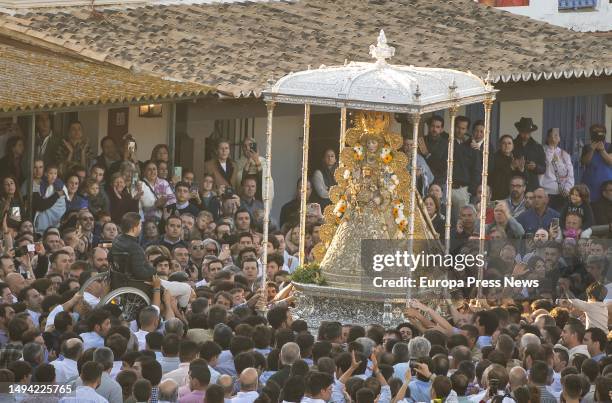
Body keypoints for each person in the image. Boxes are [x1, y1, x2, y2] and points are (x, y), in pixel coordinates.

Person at [541, 128, 574, 211]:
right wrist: (551, 147)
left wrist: (567, 189)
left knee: (560, 219)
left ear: (559, 138)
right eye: (551, 135)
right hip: (546, 193)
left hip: (562, 194)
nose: (553, 137)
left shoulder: (564, 154)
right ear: (547, 138)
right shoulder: (542, 151)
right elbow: (548, 161)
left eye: (556, 135)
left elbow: (570, 174)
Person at [235, 137, 274, 203]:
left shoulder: (263, 161)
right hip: (244, 198)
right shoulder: (238, 163)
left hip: (260, 197)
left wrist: (256, 160)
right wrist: (248, 162)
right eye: (245, 146)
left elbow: (266, 179)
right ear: (242, 148)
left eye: (250, 145)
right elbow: (239, 179)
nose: (247, 148)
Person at [513, 117, 546, 192]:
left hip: (532, 185)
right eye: (523, 132)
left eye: (528, 132)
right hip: (515, 184)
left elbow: (543, 169)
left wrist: (535, 167)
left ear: (531, 132)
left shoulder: (538, 147)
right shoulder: (511, 144)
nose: (525, 134)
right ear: (519, 131)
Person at [581, 124, 612, 202]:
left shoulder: (610, 146)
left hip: (606, 185)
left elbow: (610, 161)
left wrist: (602, 150)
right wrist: (591, 150)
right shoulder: (587, 147)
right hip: (589, 183)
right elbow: (584, 162)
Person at [489, 134, 525, 201]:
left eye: (509, 143)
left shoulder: (516, 157)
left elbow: (521, 179)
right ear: (500, 145)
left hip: (514, 195)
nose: (507, 145)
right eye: (504, 143)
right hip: (499, 194)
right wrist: (511, 167)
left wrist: (521, 170)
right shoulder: (493, 157)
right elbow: (494, 177)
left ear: (513, 146)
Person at [418, 115, 449, 185]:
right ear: (429, 127)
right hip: (422, 180)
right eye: (432, 126)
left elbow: (443, 167)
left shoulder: (446, 144)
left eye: (437, 127)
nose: (434, 129)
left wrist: (427, 154)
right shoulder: (422, 141)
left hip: (438, 181)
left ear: (441, 129)